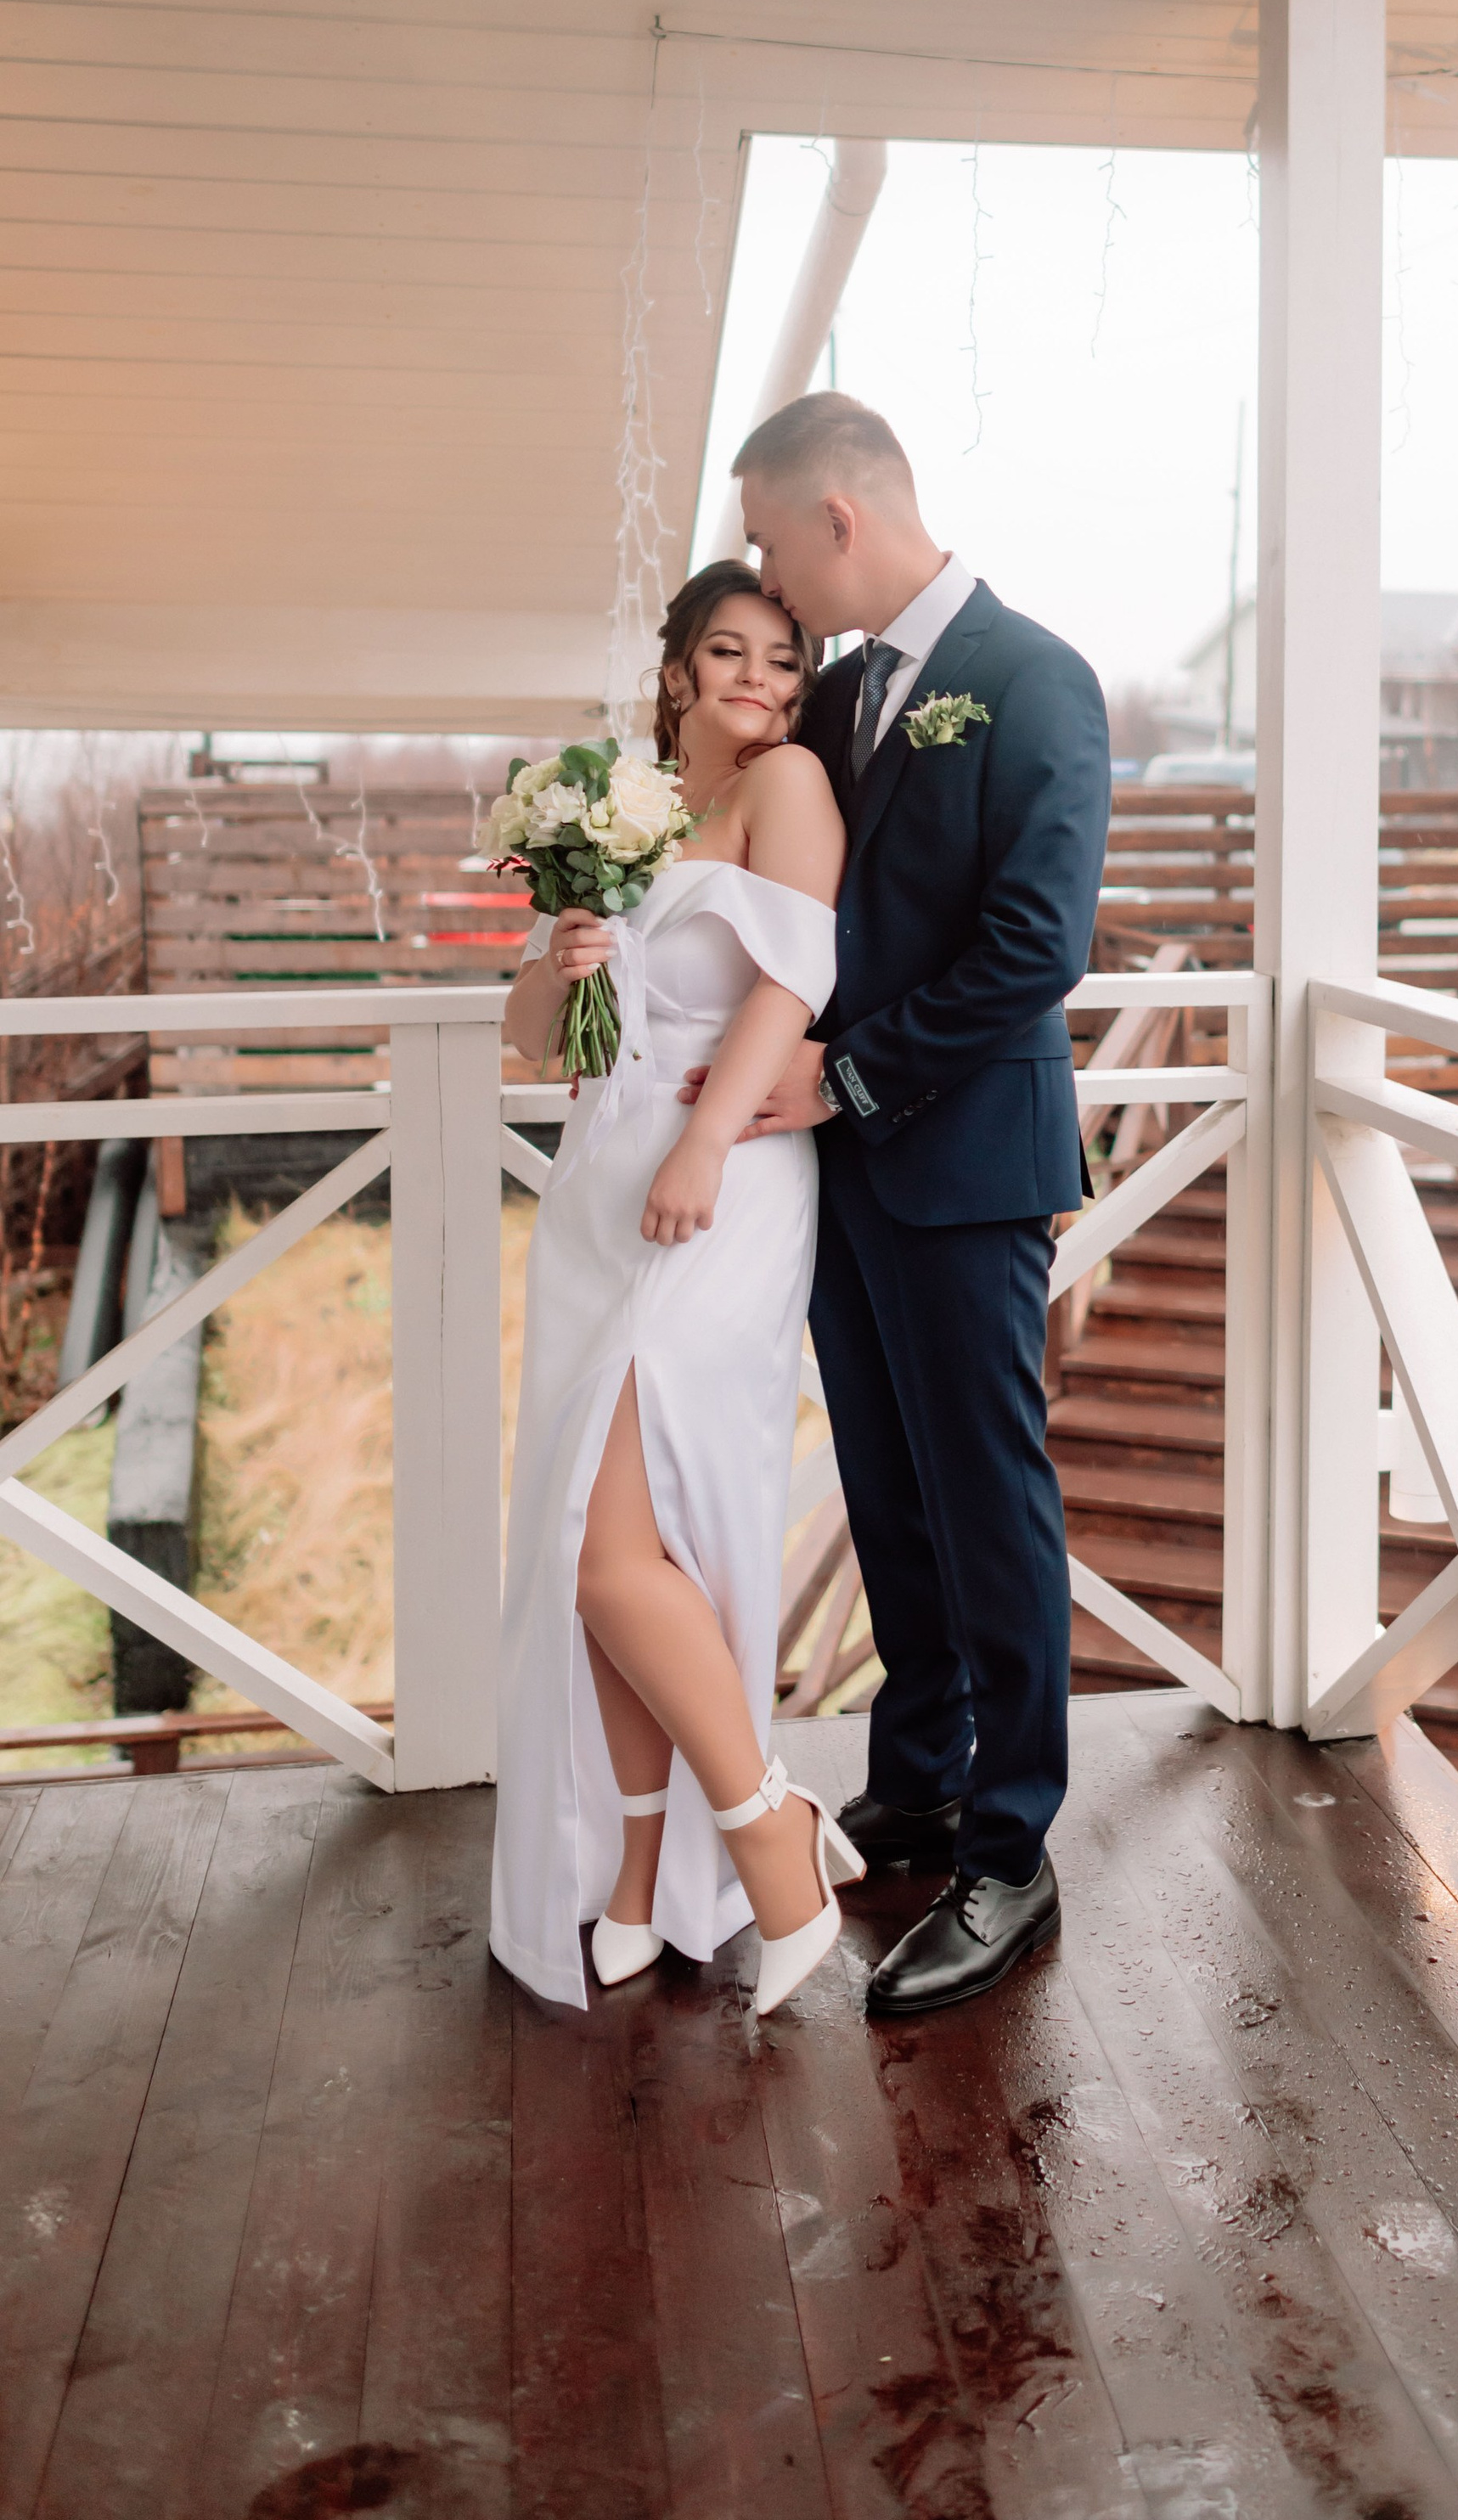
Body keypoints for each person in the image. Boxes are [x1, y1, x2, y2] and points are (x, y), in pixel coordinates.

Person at [716, 391, 1111, 2017]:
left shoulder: (1036, 682)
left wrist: (852, 1076)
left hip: (956, 1161)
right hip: (845, 1172)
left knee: (988, 1497)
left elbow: (1038, 948)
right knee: (887, 1491)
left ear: (837, 521)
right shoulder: (850, 694)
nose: (765, 579)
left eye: (765, 544)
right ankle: (922, 1780)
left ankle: (1012, 1852)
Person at [489, 561, 865, 2017]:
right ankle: (639, 1879)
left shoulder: (791, 791)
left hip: (724, 1177)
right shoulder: (623, 819)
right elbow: (542, 1035)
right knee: (611, 1563)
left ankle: (775, 1839)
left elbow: (791, 983)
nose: (759, 683)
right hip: (602, 1180)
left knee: (618, 1554)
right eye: (731, 654)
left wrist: (709, 1141)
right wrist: (568, 954)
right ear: (676, 671)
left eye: (783, 660)